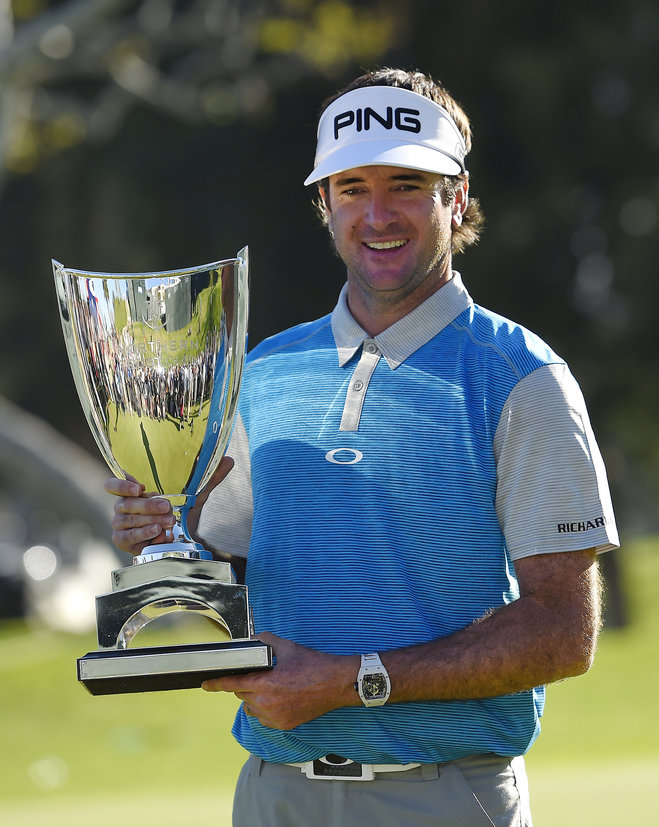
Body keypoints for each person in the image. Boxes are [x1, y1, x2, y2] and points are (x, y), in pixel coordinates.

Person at [106, 68, 620, 826]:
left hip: (444, 794)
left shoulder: (521, 377)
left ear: (458, 196)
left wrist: (353, 679)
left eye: (408, 184)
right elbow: (230, 574)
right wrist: (162, 532)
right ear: (323, 202)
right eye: (351, 187)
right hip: (275, 792)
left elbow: (563, 631)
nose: (377, 214)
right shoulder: (264, 371)